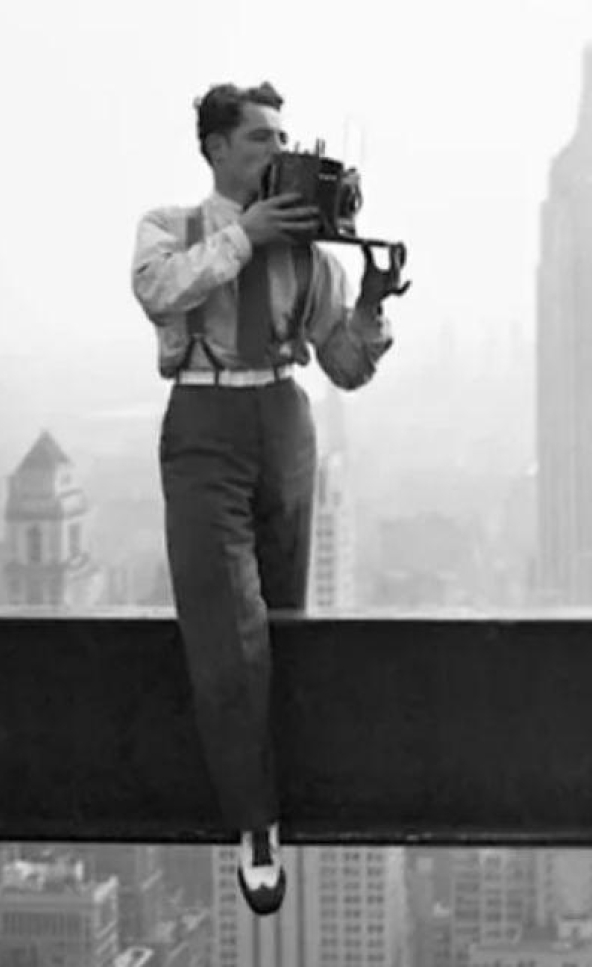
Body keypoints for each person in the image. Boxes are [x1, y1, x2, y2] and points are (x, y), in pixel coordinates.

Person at [131, 81, 409, 917]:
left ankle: (287, 785)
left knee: (284, 623)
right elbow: (158, 290)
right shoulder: (171, 226)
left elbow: (346, 369)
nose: (279, 151)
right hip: (205, 420)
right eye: (260, 139)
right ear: (217, 147)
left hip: (285, 421)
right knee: (231, 630)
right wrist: (243, 236)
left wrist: (368, 303)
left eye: (283, 136)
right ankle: (256, 824)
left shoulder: (308, 255)